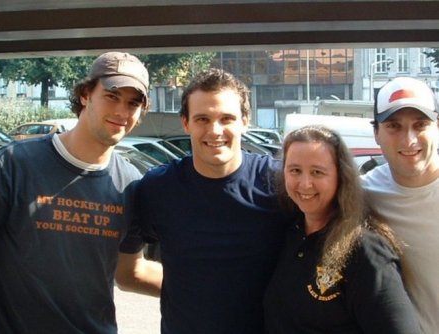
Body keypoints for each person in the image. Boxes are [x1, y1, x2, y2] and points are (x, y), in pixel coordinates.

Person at [0, 51, 162, 334]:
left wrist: (215, 291)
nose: (122, 112)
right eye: (112, 96)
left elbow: (131, 272)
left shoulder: (131, 183)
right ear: (85, 95)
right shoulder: (15, 164)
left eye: (133, 103)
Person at [116, 68, 288, 334]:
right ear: (185, 123)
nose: (215, 130)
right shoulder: (158, 188)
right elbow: (128, 273)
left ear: (245, 120)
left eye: (227, 118)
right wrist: (189, 288)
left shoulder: (280, 184)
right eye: (202, 119)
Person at [263, 125, 420, 333]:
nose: (305, 183)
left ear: (341, 176)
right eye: (295, 171)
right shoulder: (288, 233)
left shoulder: (365, 251)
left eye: (317, 172)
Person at [361, 76, 439, 334]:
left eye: (420, 125)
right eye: (394, 126)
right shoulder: (363, 193)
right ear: (376, 133)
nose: (409, 140)